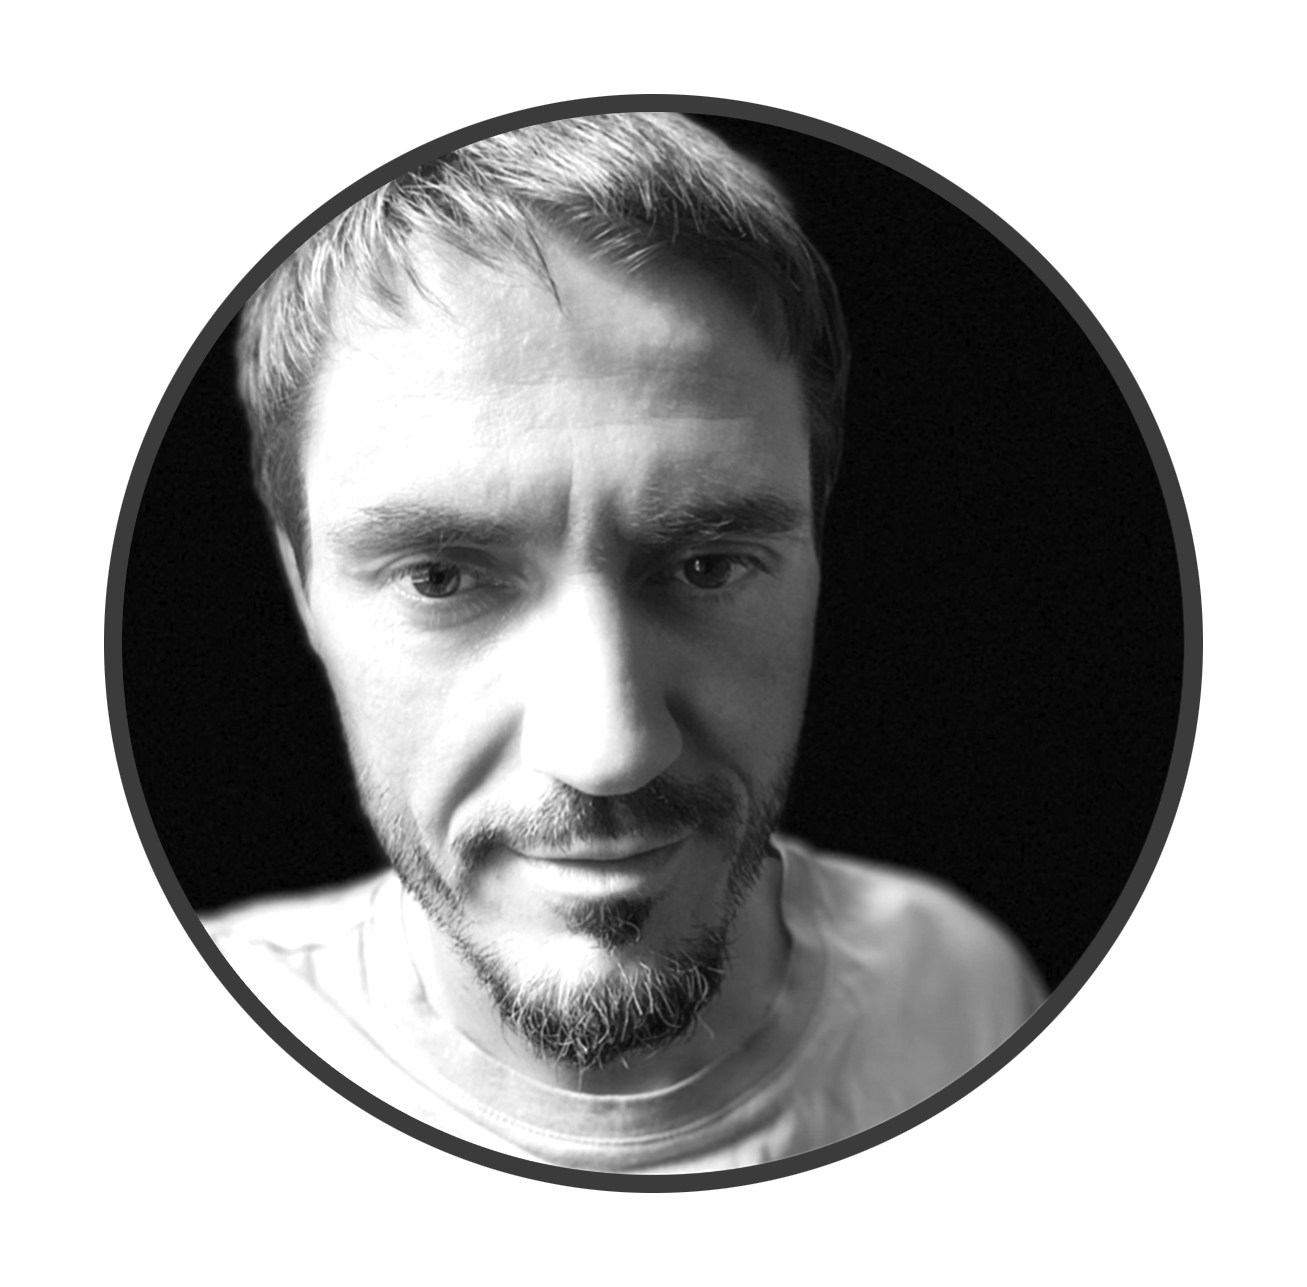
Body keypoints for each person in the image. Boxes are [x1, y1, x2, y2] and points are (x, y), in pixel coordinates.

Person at [203, 111, 1045, 1173]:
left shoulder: (962, 992)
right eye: (441, 578)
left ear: (818, 553)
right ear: (301, 589)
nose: (608, 750)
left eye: (708, 565)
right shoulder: (180, 1073)